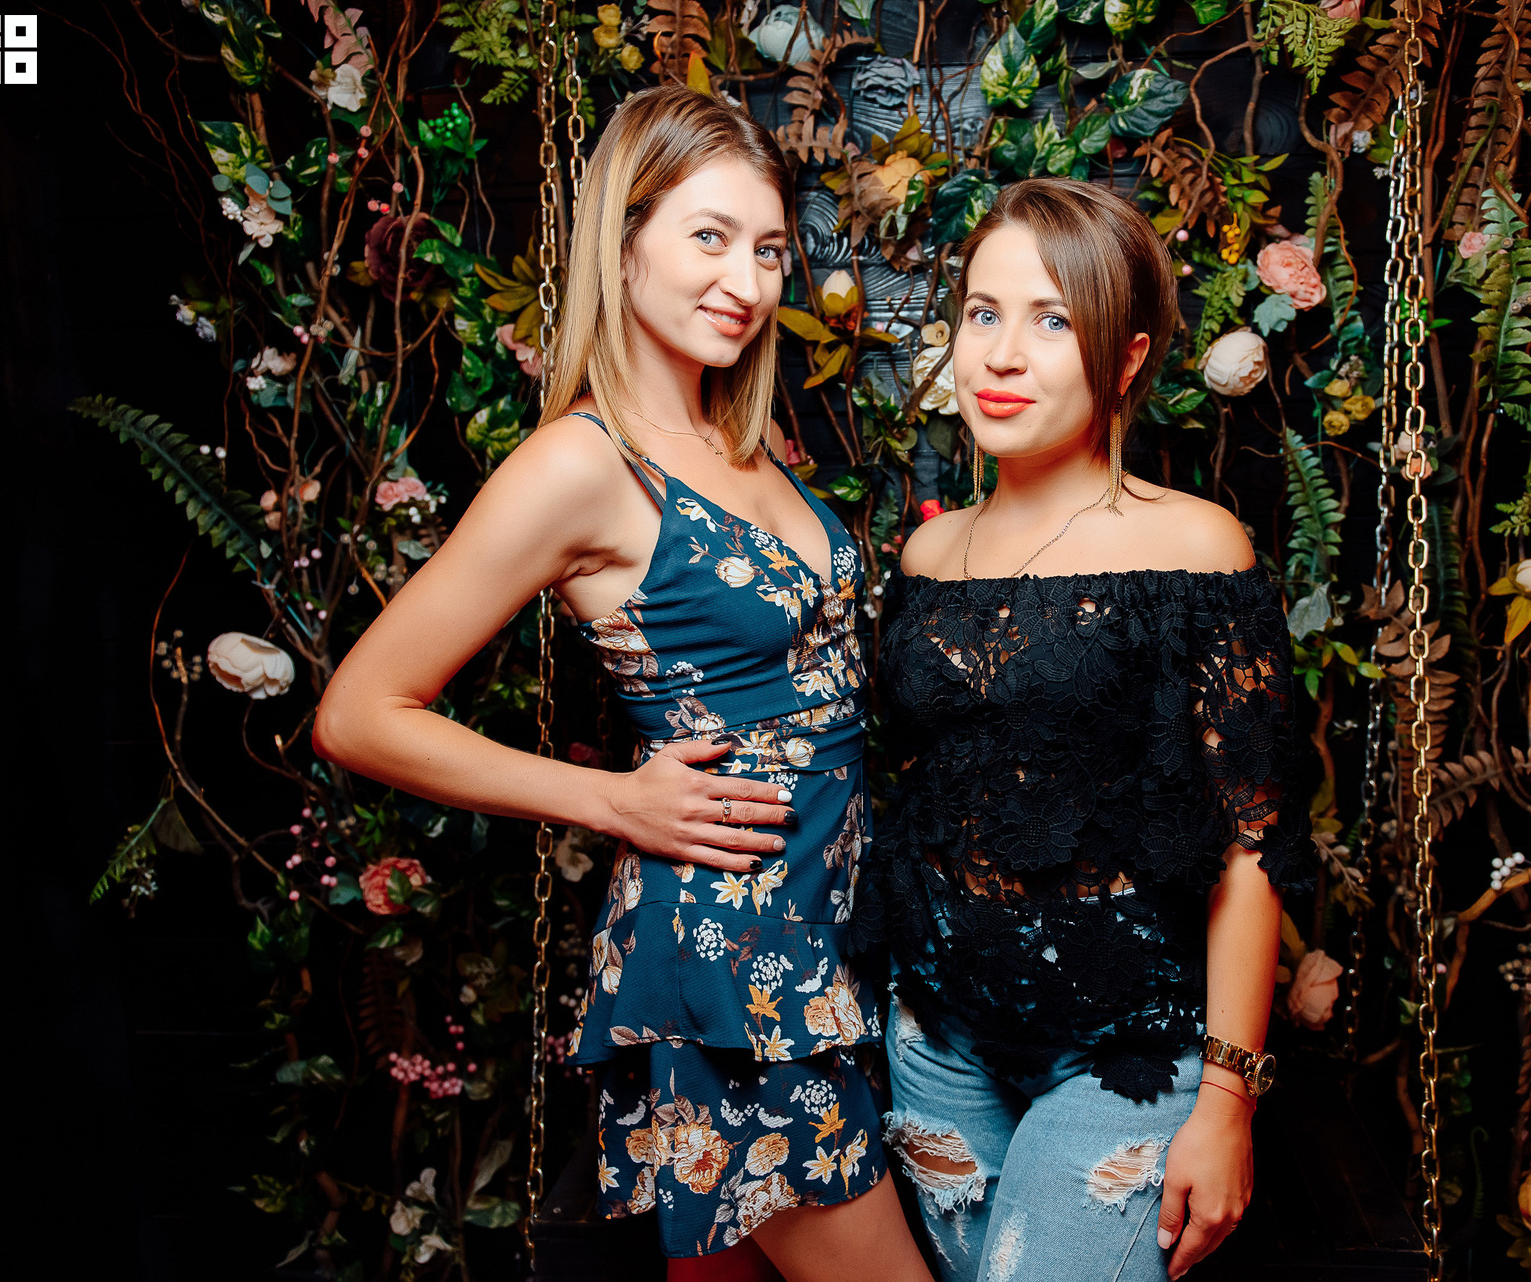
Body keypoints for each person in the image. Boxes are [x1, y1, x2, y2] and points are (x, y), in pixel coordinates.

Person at [313, 85, 930, 1282]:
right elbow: (357, 711)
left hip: (828, 934)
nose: (746, 281)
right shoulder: (580, 464)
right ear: (626, 238)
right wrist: (609, 799)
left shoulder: (742, 441)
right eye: (708, 236)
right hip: (734, 956)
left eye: (768, 250)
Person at [861, 178, 1312, 1282]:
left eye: (1052, 321)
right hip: (937, 1045)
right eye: (983, 312)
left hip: (1128, 1055)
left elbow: (1252, 844)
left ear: (1125, 358)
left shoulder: (1197, 548)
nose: (1002, 355)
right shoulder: (929, 554)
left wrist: (1228, 1099)